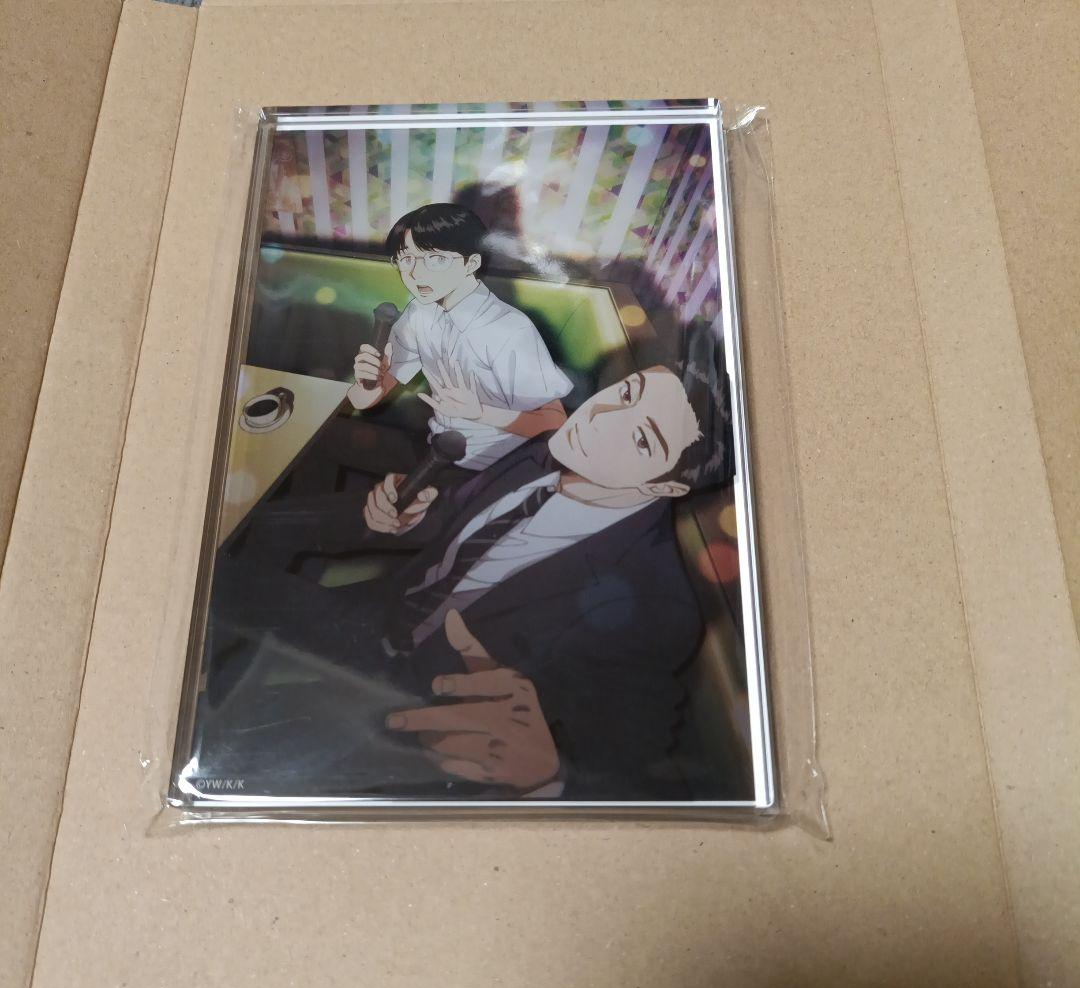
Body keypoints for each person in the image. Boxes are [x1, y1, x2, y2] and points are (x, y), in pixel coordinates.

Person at [198, 342, 734, 801]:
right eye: (625, 393)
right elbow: (458, 508)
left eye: (641, 439)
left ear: (666, 487)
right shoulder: (545, 450)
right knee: (201, 587)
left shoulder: (657, 603)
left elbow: (631, 763)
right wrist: (407, 515)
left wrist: (548, 775)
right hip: (374, 615)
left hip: (419, 712)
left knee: (234, 761)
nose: (600, 417)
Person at [346, 203, 573, 471]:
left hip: (497, 467)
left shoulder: (511, 329)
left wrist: (480, 413)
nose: (416, 273)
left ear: (471, 263)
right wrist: (369, 381)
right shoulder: (420, 312)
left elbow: (555, 422)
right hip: (435, 452)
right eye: (406, 260)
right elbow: (360, 400)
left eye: (436, 259)